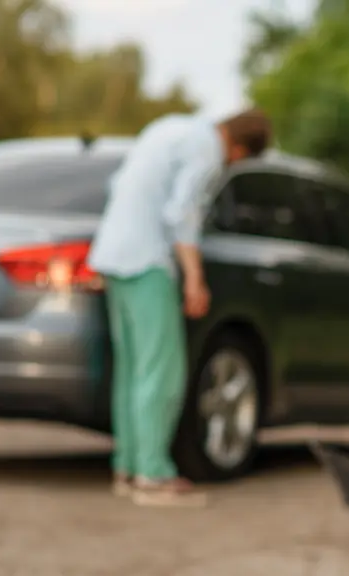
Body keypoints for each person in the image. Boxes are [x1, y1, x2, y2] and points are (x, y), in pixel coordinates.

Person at [89, 110, 272, 507]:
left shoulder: (168, 128)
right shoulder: (206, 150)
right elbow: (181, 213)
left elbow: (117, 184)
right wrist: (194, 277)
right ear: (238, 147)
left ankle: (128, 467)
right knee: (162, 371)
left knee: (133, 370)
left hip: (112, 254)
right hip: (147, 260)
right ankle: (153, 475)